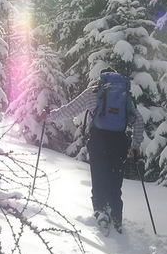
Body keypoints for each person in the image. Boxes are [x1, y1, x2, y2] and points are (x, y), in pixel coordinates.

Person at [46, 67, 144, 232]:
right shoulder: (124, 95)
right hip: (119, 142)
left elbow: (70, 110)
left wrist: (49, 115)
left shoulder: (94, 92)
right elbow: (139, 121)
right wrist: (135, 145)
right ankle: (116, 217)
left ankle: (101, 213)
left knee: (99, 178)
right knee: (115, 182)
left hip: (98, 141)